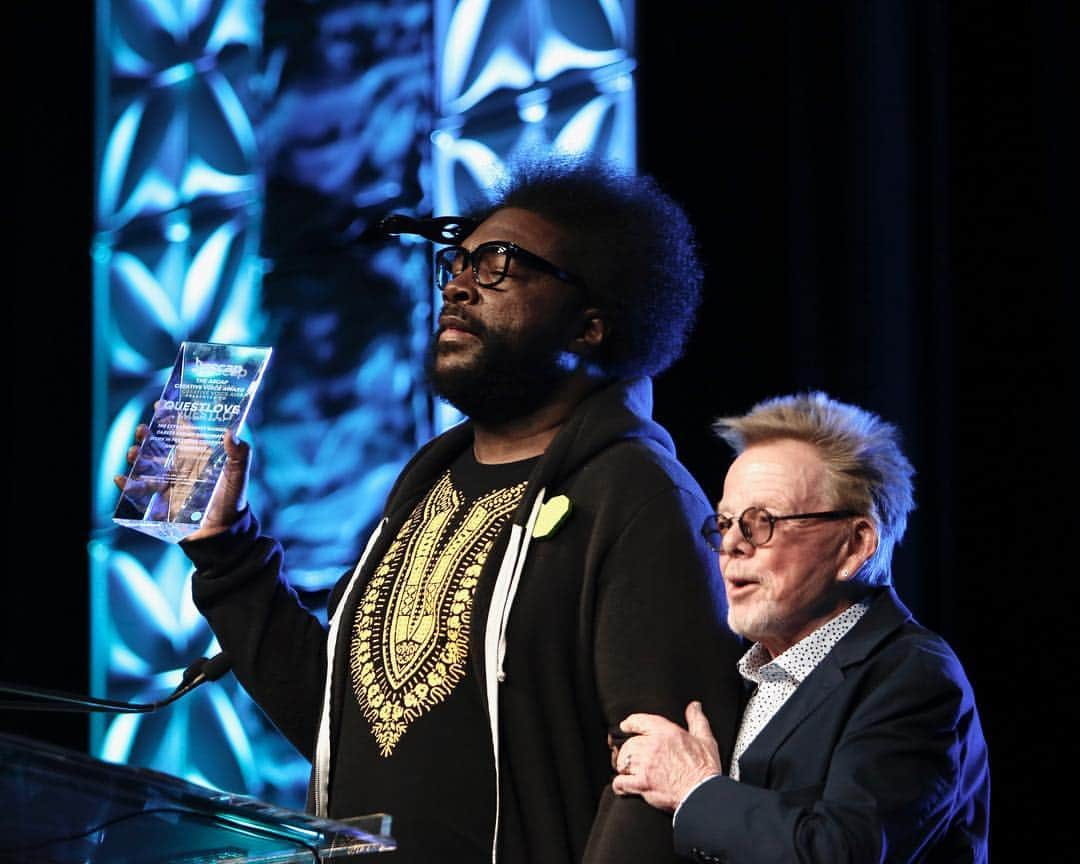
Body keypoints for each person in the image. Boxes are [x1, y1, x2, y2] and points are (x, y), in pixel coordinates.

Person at [118, 158, 743, 863]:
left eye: (500, 265)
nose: (460, 283)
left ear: (589, 327)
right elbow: (335, 722)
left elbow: (661, 784)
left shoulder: (636, 498)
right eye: (460, 262)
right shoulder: (425, 486)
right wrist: (224, 548)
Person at [609, 392, 990, 863]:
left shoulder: (914, 677)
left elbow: (839, 853)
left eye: (760, 522)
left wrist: (694, 788)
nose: (730, 545)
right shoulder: (740, 669)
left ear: (855, 545)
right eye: (725, 523)